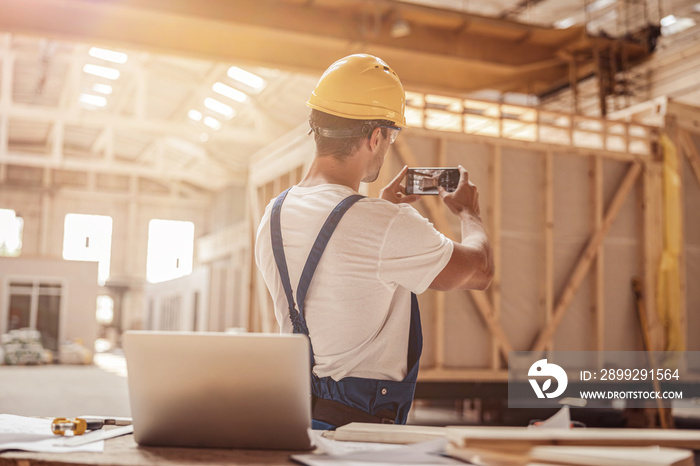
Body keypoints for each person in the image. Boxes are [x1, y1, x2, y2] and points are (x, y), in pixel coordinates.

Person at [255, 54, 493, 430]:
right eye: (391, 135)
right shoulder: (384, 224)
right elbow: (480, 270)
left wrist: (384, 208)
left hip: (297, 417)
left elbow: (346, 268)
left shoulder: (274, 214)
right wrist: (469, 213)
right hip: (361, 430)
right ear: (376, 136)